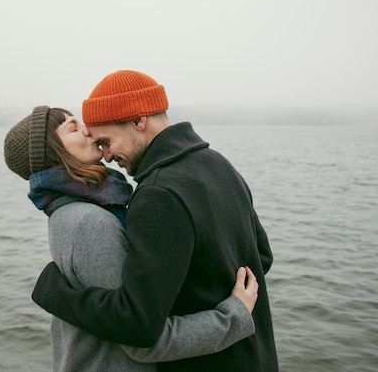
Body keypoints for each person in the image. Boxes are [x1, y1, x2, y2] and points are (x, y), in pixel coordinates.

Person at [31, 71, 279, 372]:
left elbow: (136, 324)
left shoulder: (157, 194)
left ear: (138, 120)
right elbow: (261, 256)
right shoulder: (220, 164)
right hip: (258, 355)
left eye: (107, 141)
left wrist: (53, 291)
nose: (106, 156)